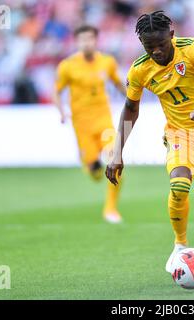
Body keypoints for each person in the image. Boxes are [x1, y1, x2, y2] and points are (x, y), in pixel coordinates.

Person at [105, 11, 194, 281]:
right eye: (148, 47)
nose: (156, 51)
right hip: (181, 136)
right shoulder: (140, 70)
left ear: (172, 36)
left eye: (161, 45)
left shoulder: (192, 49)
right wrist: (117, 153)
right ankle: (179, 245)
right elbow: (130, 110)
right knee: (179, 186)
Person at [54, 25, 126, 224]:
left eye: (90, 39)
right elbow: (56, 91)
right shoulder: (67, 66)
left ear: (96, 41)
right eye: (82, 39)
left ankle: (111, 209)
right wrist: (61, 112)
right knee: (95, 174)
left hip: (104, 121)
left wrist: (131, 100)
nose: (86, 43)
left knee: (116, 160)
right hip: (82, 125)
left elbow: (118, 82)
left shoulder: (107, 62)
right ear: (77, 42)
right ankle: (89, 165)